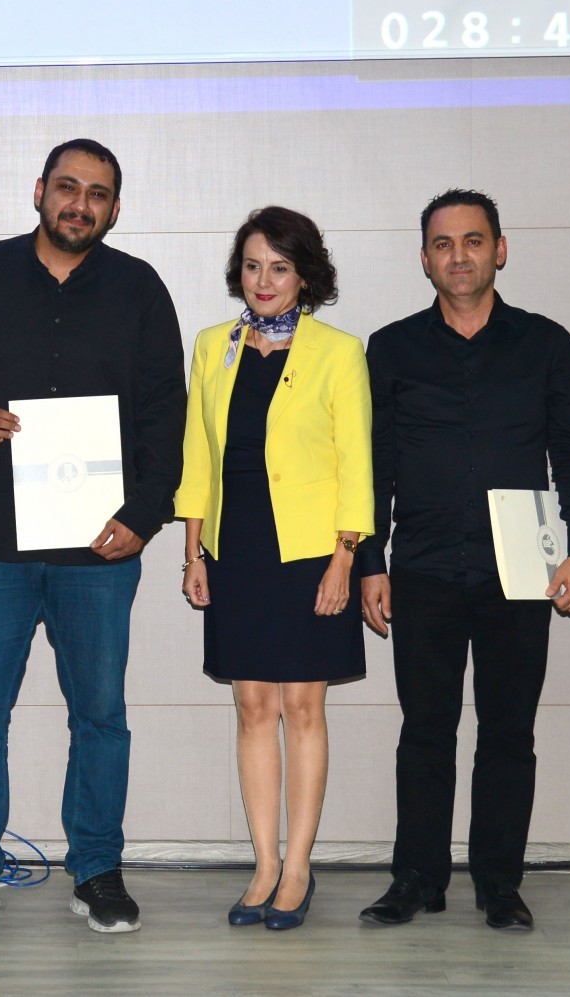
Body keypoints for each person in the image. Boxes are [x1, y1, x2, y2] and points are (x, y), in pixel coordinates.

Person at [0, 139, 185, 933]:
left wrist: (145, 514)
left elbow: (167, 410)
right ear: (39, 190)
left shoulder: (139, 288)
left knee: (100, 714)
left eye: (97, 194)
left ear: (114, 208)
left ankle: (97, 869)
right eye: (67, 187)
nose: (79, 204)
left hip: (101, 544)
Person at [356, 189, 570, 932]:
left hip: (523, 570)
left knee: (508, 733)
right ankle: (417, 879)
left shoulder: (547, 344)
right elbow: (374, 465)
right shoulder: (390, 348)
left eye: (472, 240)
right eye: (442, 243)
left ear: (500, 249)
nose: (457, 256)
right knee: (425, 731)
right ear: (423, 257)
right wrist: (370, 560)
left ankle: (499, 883)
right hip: (422, 567)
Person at [177, 207, 373, 931]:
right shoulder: (212, 346)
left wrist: (345, 557)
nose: (264, 280)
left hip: (310, 552)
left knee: (303, 708)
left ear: (305, 276)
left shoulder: (338, 351)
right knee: (253, 707)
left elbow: (357, 462)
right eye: (253, 266)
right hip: (236, 549)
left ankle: (297, 867)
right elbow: (198, 457)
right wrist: (194, 553)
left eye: (280, 267)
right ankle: (263, 865)